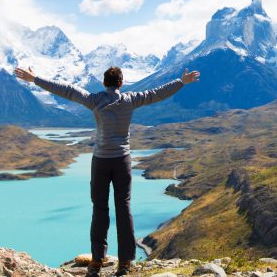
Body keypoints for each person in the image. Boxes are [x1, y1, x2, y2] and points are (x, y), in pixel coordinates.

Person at [14, 66, 200, 277]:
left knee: (99, 209)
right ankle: (125, 263)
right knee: (124, 208)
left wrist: (35, 78)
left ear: (104, 83)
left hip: (101, 161)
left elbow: (66, 90)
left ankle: (97, 260)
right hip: (122, 161)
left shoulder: (95, 100)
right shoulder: (130, 99)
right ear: (121, 84)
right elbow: (157, 93)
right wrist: (181, 81)